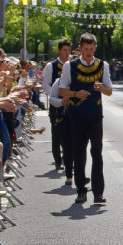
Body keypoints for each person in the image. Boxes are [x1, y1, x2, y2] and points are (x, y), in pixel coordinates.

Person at [57, 33, 113, 205]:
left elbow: (110, 91)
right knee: (79, 153)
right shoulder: (70, 65)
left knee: (97, 152)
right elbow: (61, 89)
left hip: (95, 115)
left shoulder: (102, 65)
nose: (89, 52)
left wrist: (102, 88)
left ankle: (98, 192)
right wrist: (75, 93)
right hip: (77, 115)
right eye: (86, 49)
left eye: (91, 49)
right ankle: (81, 190)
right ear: (80, 48)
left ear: (95, 48)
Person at [42, 38, 73, 185]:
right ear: (59, 51)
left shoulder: (72, 65)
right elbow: (46, 85)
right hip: (56, 104)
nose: (67, 53)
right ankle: (58, 160)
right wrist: (55, 95)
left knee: (70, 133)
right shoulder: (51, 66)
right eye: (65, 50)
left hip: (70, 104)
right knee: (57, 132)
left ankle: (68, 159)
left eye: (69, 50)